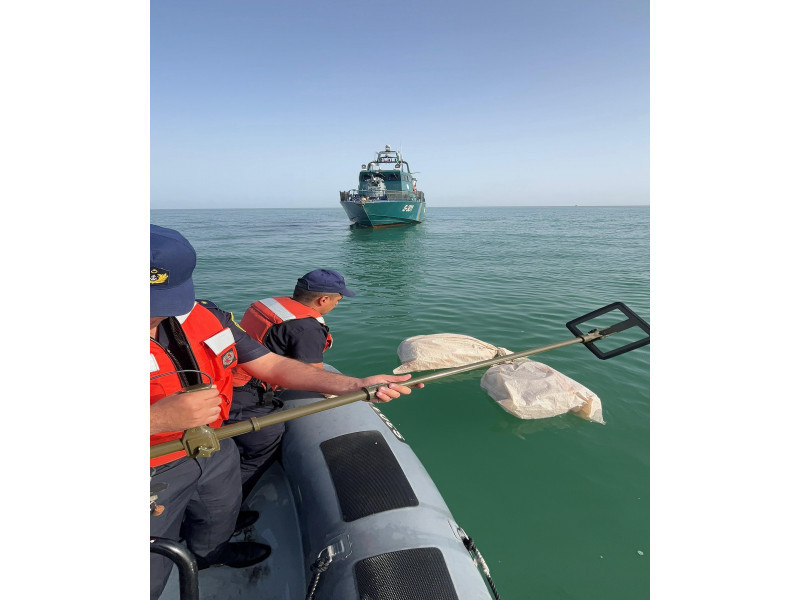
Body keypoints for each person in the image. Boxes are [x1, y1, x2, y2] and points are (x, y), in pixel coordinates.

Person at [149, 225, 417, 600]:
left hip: (215, 444)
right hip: (155, 464)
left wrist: (354, 384)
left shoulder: (206, 316)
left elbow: (271, 364)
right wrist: (157, 420)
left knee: (219, 510)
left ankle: (211, 553)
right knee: (153, 563)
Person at [227, 269, 354, 497]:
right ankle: (229, 503)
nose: (337, 304)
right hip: (245, 392)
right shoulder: (307, 327)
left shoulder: (266, 304)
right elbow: (313, 377)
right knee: (266, 442)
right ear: (323, 299)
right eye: (338, 299)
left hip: (224, 375)